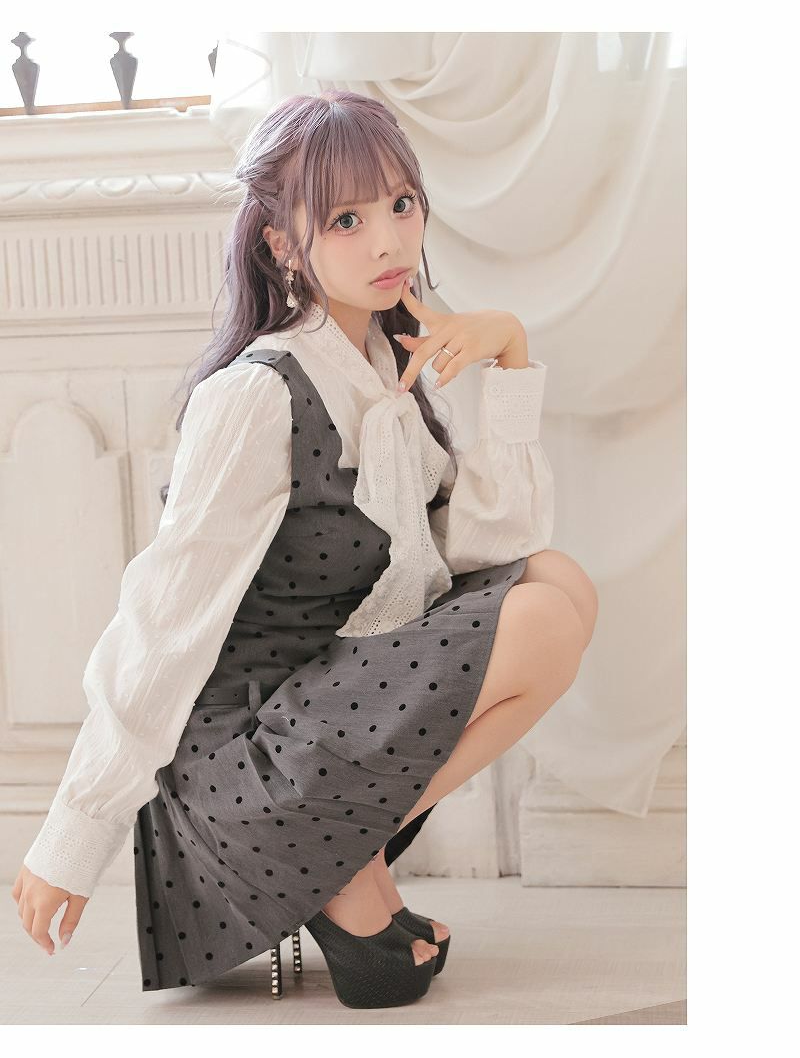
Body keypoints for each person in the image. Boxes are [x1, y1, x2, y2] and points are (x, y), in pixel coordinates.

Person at [12, 90, 597, 1007]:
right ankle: (336, 860)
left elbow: (496, 547)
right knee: (543, 617)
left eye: (402, 204)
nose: (389, 241)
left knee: (560, 586)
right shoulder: (256, 396)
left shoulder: (386, 366)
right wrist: (72, 836)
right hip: (243, 766)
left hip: (322, 724)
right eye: (347, 220)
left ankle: (349, 852)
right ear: (283, 243)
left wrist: (512, 356)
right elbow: (162, 623)